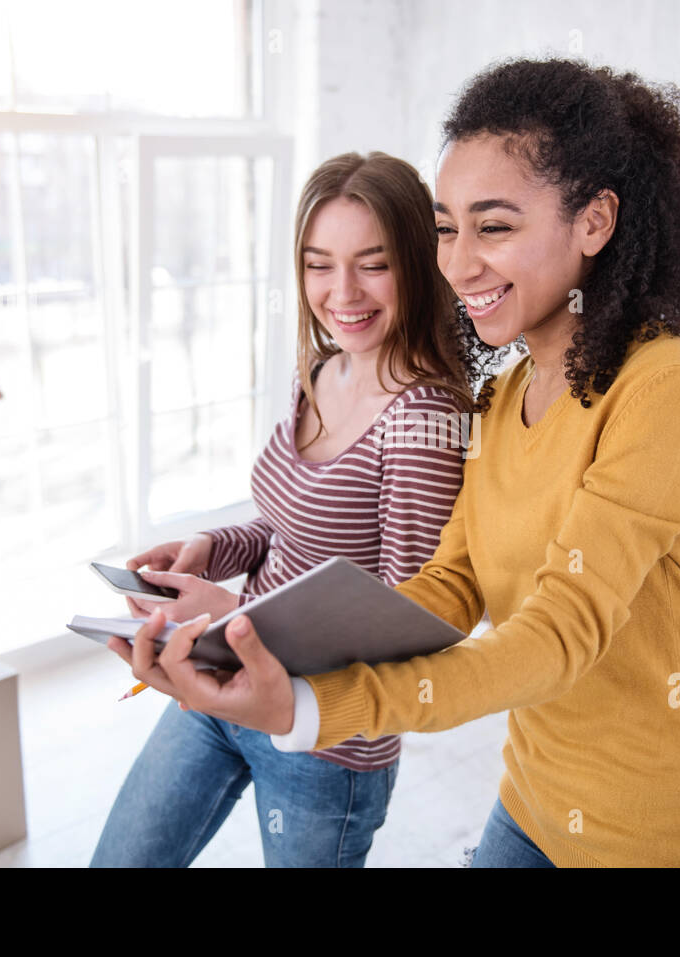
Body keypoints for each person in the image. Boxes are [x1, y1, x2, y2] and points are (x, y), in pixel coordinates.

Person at [114, 58, 680, 867]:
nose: (457, 264)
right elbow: (444, 590)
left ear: (595, 222)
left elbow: (562, 631)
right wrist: (250, 641)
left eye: (494, 226)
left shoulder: (667, 382)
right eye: (447, 227)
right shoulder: (501, 402)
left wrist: (312, 705)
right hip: (532, 802)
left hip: (659, 832)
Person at [90, 151, 475, 867]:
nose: (342, 291)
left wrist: (231, 621)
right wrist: (212, 547)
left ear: (420, 265)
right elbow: (287, 526)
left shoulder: (423, 418)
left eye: (373, 262)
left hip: (326, 741)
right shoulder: (326, 367)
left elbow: (401, 623)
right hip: (226, 688)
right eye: (318, 263)